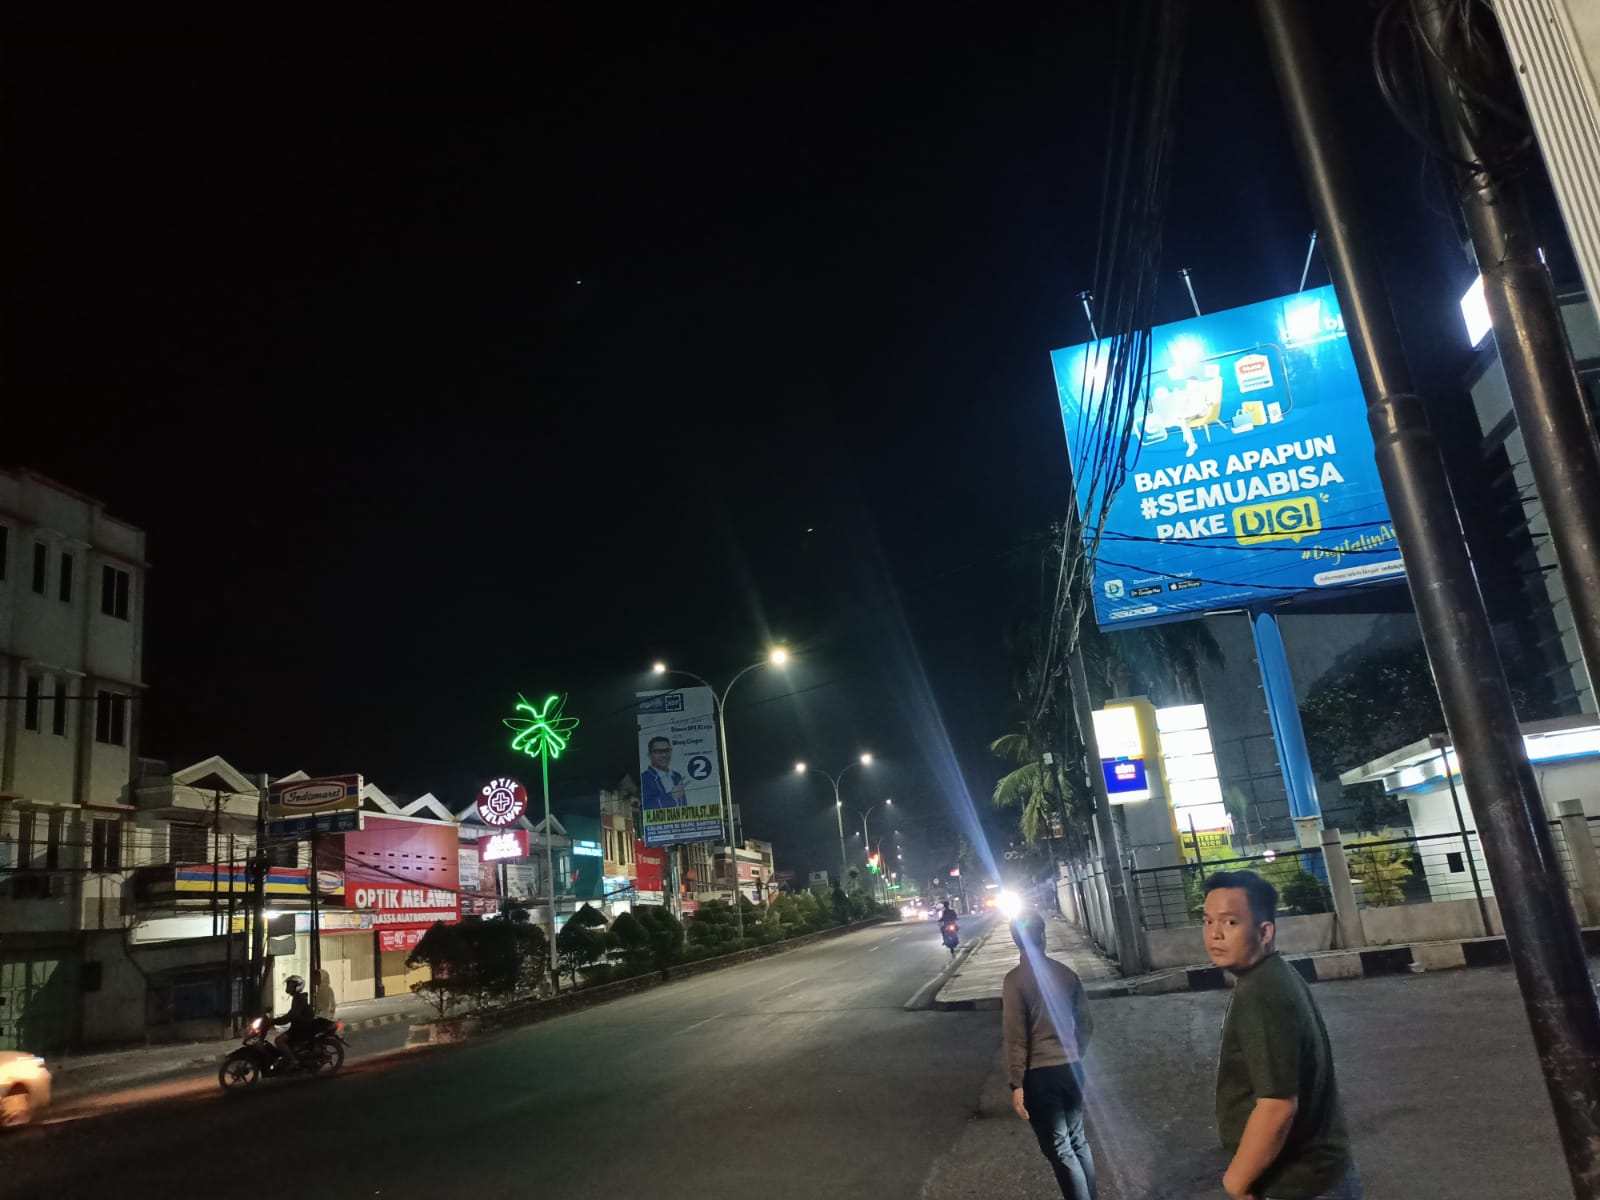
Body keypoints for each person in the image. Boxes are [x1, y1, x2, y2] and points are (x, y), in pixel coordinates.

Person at [1203, 871, 1359, 1200]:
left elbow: (1277, 1105)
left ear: (1264, 932)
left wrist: (1236, 1181)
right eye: (1207, 921)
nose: (1215, 934)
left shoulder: (1261, 992)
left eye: (1230, 922)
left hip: (1298, 1184)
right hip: (1320, 1175)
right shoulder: (1275, 974)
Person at [1002, 912, 1095, 1200]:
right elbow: (1086, 1023)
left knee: (1060, 1149)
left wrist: (1017, 1084)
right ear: (1043, 937)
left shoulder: (1015, 981)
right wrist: (1074, 1052)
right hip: (1072, 1070)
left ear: (1016, 941)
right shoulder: (1066, 974)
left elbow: (1016, 1036)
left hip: (1040, 1076)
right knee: (1077, 1140)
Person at [272, 974, 315, 1066]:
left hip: (301, 1028)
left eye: (291, 985)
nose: (288, 987)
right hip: (298, 1026)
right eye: (288, 985)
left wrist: (275, 1021)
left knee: (278, 1040)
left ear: (297, 987)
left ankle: (293, 1061)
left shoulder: (300, 999)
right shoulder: (297, 998)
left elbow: (291, 1016)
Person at [640, 736, 688, 810]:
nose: (664, 755)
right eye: (658, 751)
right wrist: (671, 797)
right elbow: (645, 808)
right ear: (649, 755)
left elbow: (683, 805)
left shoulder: (676, 776)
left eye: (667, 751)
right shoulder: (644, 778)